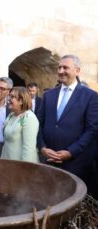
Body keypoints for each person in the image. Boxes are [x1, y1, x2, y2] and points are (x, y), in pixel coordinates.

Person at [37, 54, 98, 197]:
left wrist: (70, 152)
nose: (61, 71)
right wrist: (42, 147)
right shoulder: (49, 95)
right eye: (59, 67)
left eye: (65, 67)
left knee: (71, 205)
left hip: (75, 164)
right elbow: (39, 124)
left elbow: (92, 130)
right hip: (49, 161)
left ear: (77, 71)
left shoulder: (90, 96)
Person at [1, 87, 39, 163]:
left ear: (21, 101)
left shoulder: (29, 118)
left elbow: (29, 149)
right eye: (9, 96)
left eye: (12, 97)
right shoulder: (11, 115)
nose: (9, 99)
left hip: (20, 167)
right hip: (7, 164)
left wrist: (24, 169)